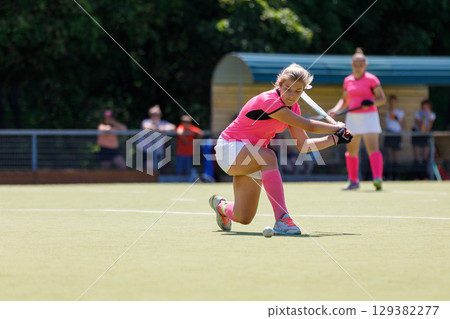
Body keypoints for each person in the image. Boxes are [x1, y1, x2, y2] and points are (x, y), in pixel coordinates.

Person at [208, 63, 353, 235]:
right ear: (279, 84)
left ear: (303, 91)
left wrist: (335, 139)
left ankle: (220, 206)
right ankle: (283, 219)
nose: (291, 95)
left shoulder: (294, 107)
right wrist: (336, 127)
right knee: (269, 156)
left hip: (253, 155)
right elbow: (308, 125)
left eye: (298, 91)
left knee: (243, 217)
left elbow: (304, 146)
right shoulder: (269, 101)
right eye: (287, 89)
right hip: (229, 149)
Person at [328, 48, 386, 191]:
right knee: (351, 150)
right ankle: (353, 181)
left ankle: (377, 178)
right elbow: (344, 100)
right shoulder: (347, 80)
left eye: (360, 64)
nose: (358, 66)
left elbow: (381, 99)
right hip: (353, 117)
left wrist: (371, 103)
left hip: (369, 117)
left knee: (373, 148)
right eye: (355, 64)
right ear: (352, 65)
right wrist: (336, 109)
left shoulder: (372, 79)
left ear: (365, 65)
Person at [140, 105, 176, 172]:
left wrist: (164, 128)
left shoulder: (163, 123)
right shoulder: (146, 121)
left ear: (160, 114)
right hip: (147, 152)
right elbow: (146, 127)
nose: (154, 115)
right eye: (152, 114)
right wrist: (159, 129)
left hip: (159, 152)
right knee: (148, 170)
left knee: (157, 171)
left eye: (156, 114)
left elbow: (173, 127)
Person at [412, 99, 436, 179]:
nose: (424, 109)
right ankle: (417, 176)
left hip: (426, 135)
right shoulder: (417, 114)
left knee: (425, 156)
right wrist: (424, 118)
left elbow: (426, 129)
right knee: (417, 157)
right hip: (417, 134)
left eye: (426, 107)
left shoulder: (432, 115)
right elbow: (421, 129)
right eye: (423, 107)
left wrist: (427, 118)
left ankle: (425, 176)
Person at [383, 95, 405, 180]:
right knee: (388, 155)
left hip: (397, 134)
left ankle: (395, 176)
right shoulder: (387, 112)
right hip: (389, 133)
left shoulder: (400, 112)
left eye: (394, 102)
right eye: (391, 102)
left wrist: (396, 117)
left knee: (395, 156)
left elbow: (402, 124)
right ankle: (387, 176)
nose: (392, 104)